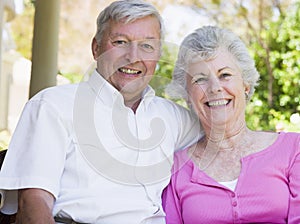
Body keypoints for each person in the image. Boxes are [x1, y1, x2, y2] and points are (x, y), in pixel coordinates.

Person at [0, 1, 202, 223]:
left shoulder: (173, 118)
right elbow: (33, 204)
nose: (133, 57)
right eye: (120, 42)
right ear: (96, 48)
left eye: (147, 46)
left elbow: (229, 138)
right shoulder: (53, 106)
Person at [162, 26, 300, 223]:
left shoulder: (293, 149)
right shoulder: (176, 168)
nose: (215, 88)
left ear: (246, 85)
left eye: (225, 75)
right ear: (187, 96)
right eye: (200, 79)